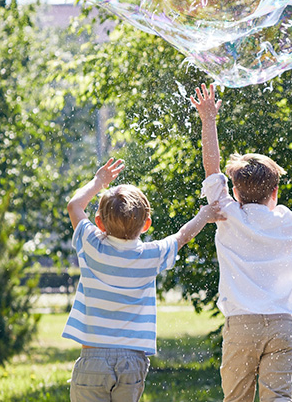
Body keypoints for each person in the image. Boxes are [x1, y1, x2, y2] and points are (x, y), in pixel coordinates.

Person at [190, 83, 292, 402]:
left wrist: (208, 119)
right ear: (275, 192)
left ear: (234, 191)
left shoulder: (226, 212)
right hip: (281, 325)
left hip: (241, 324)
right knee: (278, 397)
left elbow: (212, 167)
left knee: (236, 397)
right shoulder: (284, 220)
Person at [63, 157, 224, 402]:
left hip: (92, 358)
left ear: (99, 223)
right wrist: (205, 214)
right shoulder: (152, 255)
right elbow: (182, 236)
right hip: (132, 361)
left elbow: (74, 206)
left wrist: (99, 181)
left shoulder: (91, 245)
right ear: (146, 224)